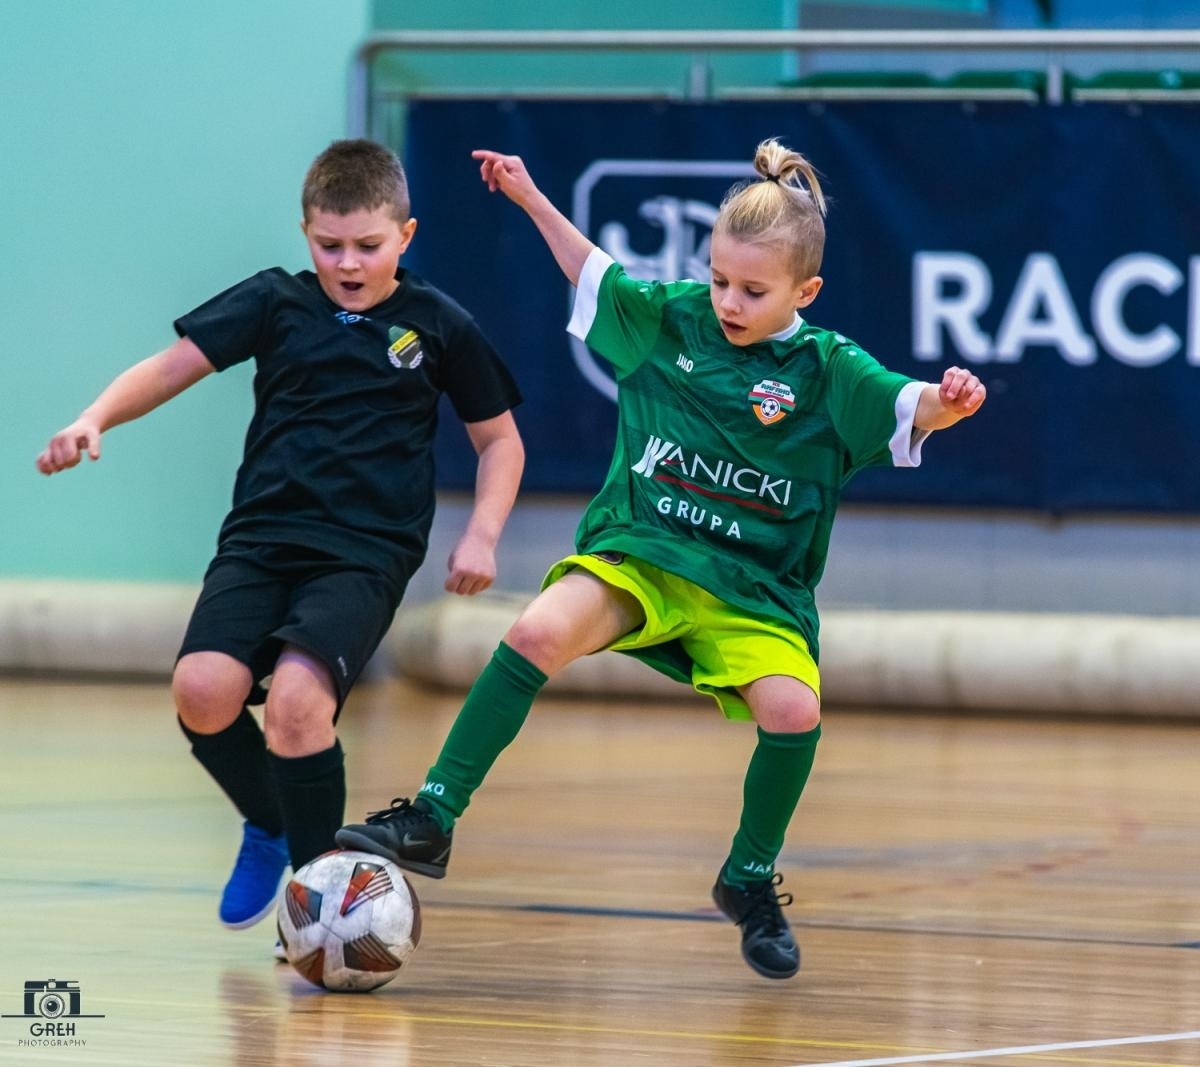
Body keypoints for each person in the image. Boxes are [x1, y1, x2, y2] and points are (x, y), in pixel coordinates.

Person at [337, 138, 985, 980]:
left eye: (752, 290)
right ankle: (434, 814)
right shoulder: (672, 318)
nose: (728, 300)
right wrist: (532, 198)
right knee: (535, 630)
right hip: (642, 552)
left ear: (806, 291)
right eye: (719, 279)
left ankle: (747, 878)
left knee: (794, 710)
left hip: (753, 591)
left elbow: (914, 405)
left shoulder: (829, 372)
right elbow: (592, 269)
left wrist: (949, 400)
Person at [36, 139, 525, 944]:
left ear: (405, 235)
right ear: (306, 234)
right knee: (202, 689)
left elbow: (500, 441)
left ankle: (318, 895)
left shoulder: (439, 324)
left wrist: (482, 533)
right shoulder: (274, 301)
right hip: (262, 536)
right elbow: (169, 368)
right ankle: (266, 820)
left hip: (365, 550)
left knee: (298, 704)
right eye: (329, 245)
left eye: (368, 246)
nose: (348, 262)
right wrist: (93, 417)